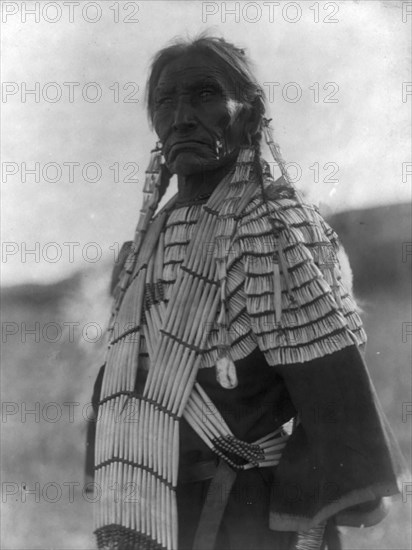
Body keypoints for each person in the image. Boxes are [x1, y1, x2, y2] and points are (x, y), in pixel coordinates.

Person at [88, 35, 408, 550]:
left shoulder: (273, 226)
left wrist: (306, 514)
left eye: (205, 95)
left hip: (243, 510)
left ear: (251, 114)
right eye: (166, 101)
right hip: (150, 504)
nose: (183, 116)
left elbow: (332, 389)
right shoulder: (149, 237)